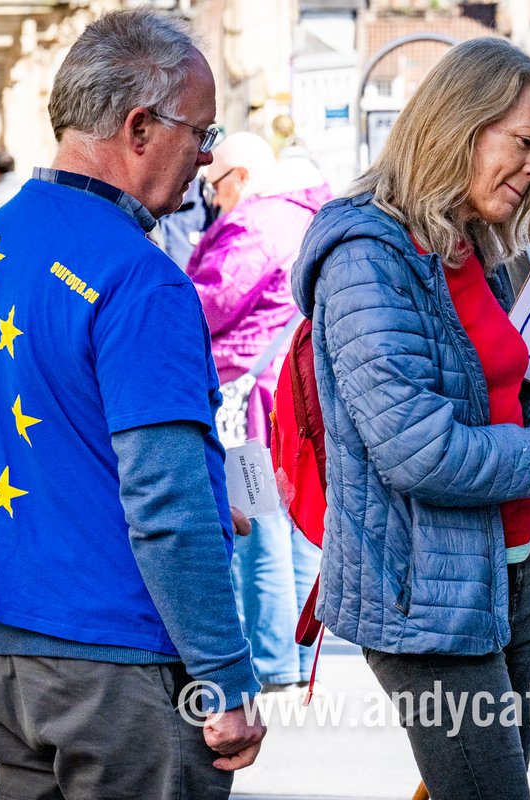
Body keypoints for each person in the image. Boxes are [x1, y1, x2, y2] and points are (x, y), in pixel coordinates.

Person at [0, 9, 267, 796]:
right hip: (118, 655)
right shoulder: (141, 278)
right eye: (200, 135)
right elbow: (165, 501)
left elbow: (37, 428)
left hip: (10, 644)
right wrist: (227, 677)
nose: (206, 160)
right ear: (140, 126)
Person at [290, 37, 530, 798]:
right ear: (458, 124)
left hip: (506, 582)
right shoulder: (366, 257)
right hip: (425, 603)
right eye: (525, 143)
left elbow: (524, 385)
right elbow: (420, 451)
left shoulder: (475, 246)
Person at [185, 131, 330, 691]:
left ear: (242, 176)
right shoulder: (304, 216)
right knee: (292, 527)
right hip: (292, 395)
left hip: (250, 405)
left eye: (214, 184)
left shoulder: (254, 226)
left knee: (259, 532)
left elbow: (207, 304)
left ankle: (269, 661)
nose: (211, 198)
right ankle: (292, 655)